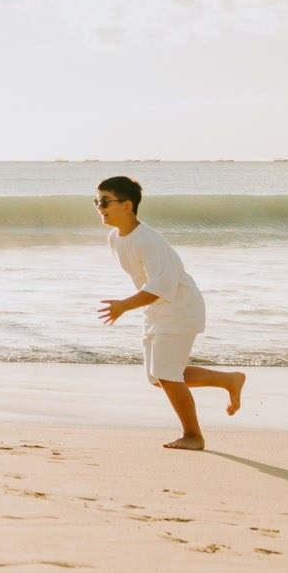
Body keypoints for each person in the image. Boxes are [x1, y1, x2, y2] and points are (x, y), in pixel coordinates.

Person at [94, 175, 245, 449]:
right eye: (96, 202)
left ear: (127, 205)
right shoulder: (115, 238)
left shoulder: (148, 240)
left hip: (179, 307)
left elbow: (162, 286)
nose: (99, 207)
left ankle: (193, 436)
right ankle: (229, 380)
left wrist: (123, 306)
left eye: (105, 201)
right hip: (156, 310)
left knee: (165, 372)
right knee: (158, 377)